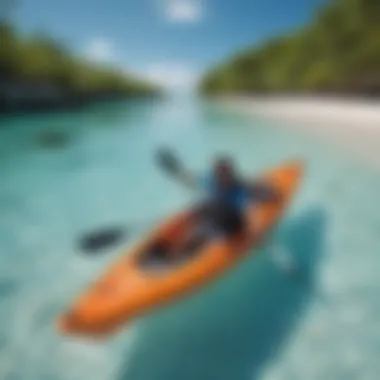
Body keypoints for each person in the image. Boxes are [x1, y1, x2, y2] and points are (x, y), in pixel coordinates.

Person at [168, 155, 280, 254]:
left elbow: (254, 201)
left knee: (202, 231)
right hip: (214, 218)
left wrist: (269, 195)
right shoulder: (211, 180)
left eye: (225, 174)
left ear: (231, 173)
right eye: (219, 174)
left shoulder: (241, 188)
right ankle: (181, 253)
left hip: (230, 225)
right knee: (198, 222)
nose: (222, 178)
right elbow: (193, 179)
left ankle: (200, 247)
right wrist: (179, 172)